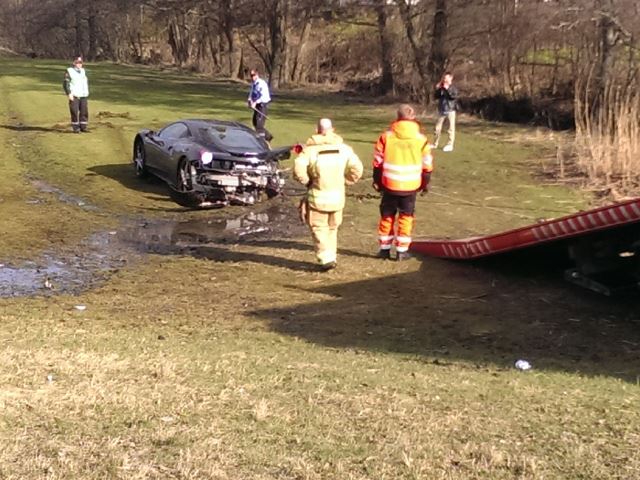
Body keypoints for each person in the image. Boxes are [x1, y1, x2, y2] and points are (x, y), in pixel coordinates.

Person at [294, 118, 363, 271]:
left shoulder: (310, 151)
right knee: (333, 228)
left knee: (319, 228)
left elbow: (298, 167)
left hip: (318, 198)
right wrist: (346, 181)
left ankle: (325, 259)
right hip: (338, 199)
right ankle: (332, 256)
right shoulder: (345, 149)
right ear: (333, 130)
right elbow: (357, 168)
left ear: (317, 130)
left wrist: (307, 181)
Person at [373, 104, 433, 261]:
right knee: (406, 217)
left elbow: (377, 162)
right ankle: (402, 251)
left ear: (397, 117)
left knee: (387, 216)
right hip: (411, 185)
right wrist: (425, 184)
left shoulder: (386, 136)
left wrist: (377, 181)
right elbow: (427, 164)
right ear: (413, 118)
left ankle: (384, 249)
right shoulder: (421, 139)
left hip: (389, 184)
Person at [63, 56, 90, 133]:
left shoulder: (83, 71)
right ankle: (76, 128)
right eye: (78, 63)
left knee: (84, 112)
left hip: (83, 95)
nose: (79, 64)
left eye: (80, 63)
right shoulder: (69, 71)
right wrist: (69, 93)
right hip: (74, 95)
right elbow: (66, 83)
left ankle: (83, 127)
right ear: (74, 63)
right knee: (74, 111)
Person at [433, 72, 458, 152]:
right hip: (442, 110)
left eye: (446, 78)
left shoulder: (453, 88)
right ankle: (435, 143)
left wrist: (446, 89)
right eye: (444, 78)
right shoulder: (442, 88)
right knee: (437, 128)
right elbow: (436, 97)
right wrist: (438, 89)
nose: (445, 79)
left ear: (451, 78)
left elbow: (452, 97)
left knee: (450, 129)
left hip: (450, 110)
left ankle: (450, 144)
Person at [247, 68, 272, 141]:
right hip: (257, 106)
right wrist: (249, 101)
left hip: (262, 105)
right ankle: (268, 137)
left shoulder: (261, 83)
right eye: (251, 75)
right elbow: (252, 93)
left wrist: (255, 102)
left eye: (253, 75)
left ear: (257, 75)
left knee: (259, 125)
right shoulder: (254, 84)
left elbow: (263, 96)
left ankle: (262, 140)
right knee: (255, 122)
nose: (252, 77)